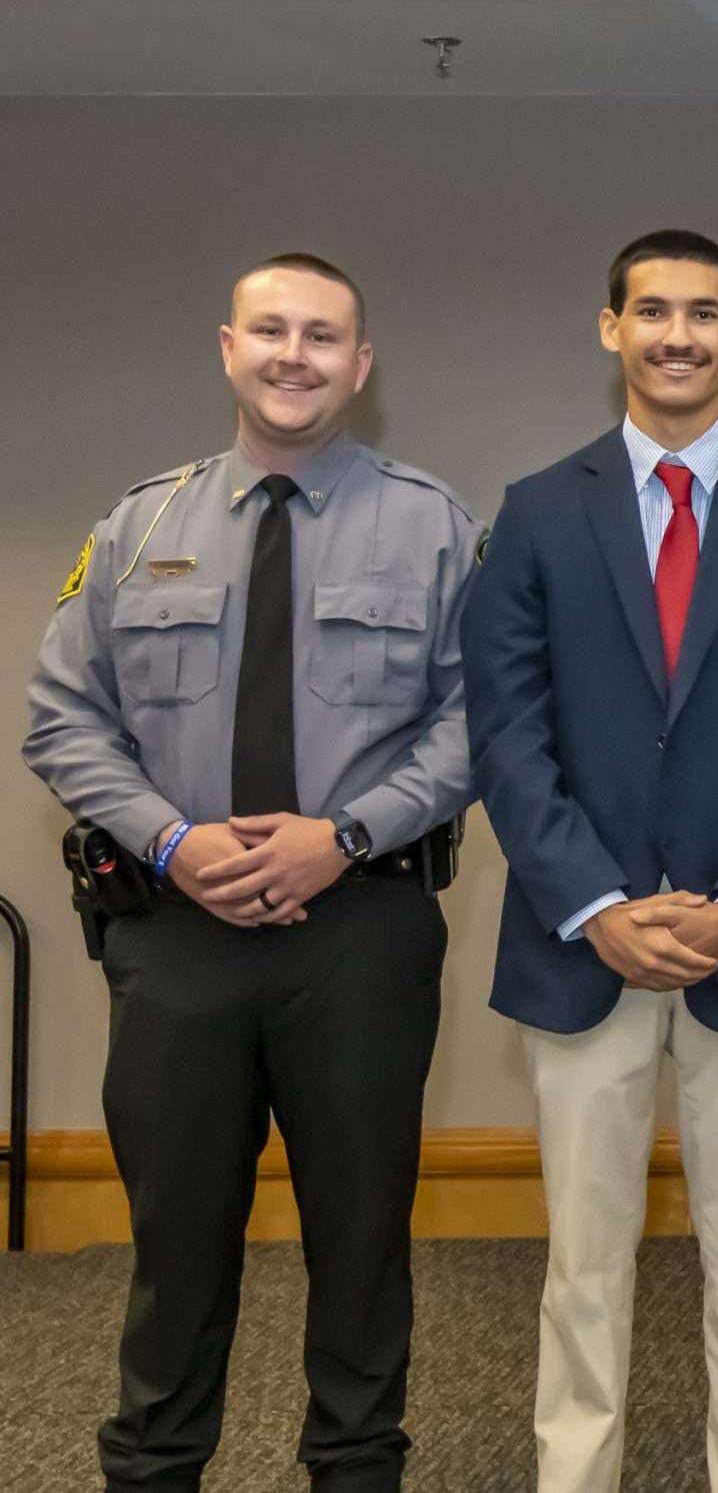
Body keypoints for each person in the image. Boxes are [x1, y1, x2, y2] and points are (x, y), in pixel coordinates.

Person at [25, 254, 476, 1493]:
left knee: (364, 1237)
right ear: (226, 347)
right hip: (178, 933)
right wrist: (176, 841)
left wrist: (346, 834)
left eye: (323, 336)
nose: (295, 355)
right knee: (176, 1243)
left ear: (361, 364)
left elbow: (482, 718)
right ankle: (155, 1470)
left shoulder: (435, 524)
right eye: (270, 331)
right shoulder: (139, 524)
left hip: (363, 929)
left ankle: (356, 1470)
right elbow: (61, 718)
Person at [466, 229, 718, 1493]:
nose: (677, 334)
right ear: (610, 329)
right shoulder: (536, 511)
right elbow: (508, 738)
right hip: (583, 946)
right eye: (652, 311)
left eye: (704, 313)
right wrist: (599, 905)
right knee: (584, 1265)